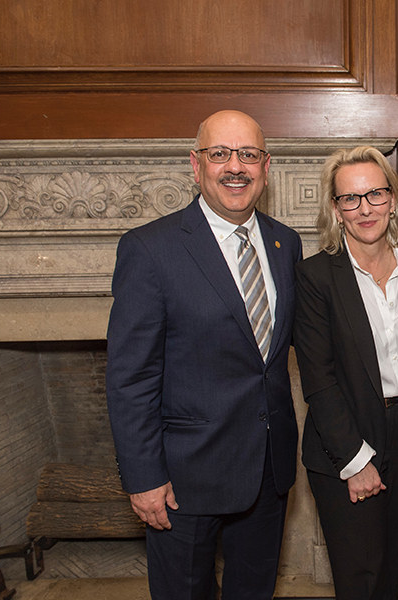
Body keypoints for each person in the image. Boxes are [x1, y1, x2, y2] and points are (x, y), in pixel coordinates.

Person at [106, 110, 302, 600]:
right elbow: (130, 377)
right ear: (196, 165)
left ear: (266, 165)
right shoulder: (150, 250)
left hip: (266, 472)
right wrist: (144, 477)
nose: (235, 166)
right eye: (220, 154)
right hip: (183, 480)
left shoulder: (285, 244)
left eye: (249, 155)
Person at [293, 146, 398, 600]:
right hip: (346, 441)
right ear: (336, 209)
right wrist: (355, 460)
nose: (365, 208)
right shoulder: (315, 278)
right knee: (360, 580)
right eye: (351, 199)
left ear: (393, 198)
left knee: (392, 569)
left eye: (375, 194)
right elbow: (319, 379)